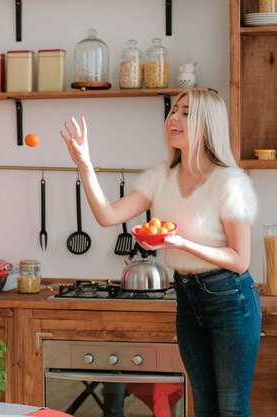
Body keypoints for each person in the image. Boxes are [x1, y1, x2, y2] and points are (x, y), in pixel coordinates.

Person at [60, 88, 261, 417]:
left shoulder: (229, 182)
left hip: (231, 299)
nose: (175, 118)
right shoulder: (160, 177)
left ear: (207, 125)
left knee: (232, 407)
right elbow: (107, 216)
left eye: (186, 113)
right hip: (187, 297)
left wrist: (180, 243)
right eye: (173, 111)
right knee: (204, 406)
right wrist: (84, 164)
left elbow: (240, 260)